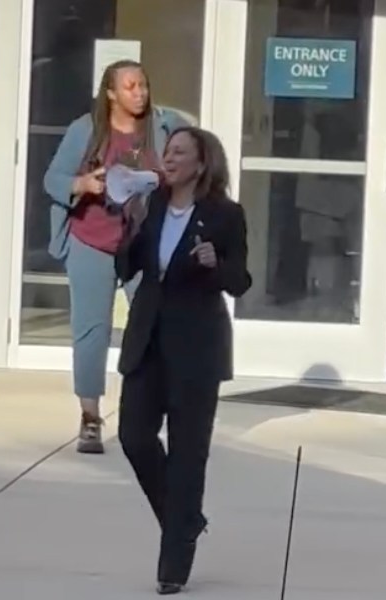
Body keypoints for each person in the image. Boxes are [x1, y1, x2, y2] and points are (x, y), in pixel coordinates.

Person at [116, 127, 252, 594]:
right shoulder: (151, 204)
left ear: (201, 163)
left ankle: (173, 566)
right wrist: (129, 226)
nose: (169, 158)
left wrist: (217, 261)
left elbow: (240, 281)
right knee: (133, 436)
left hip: (197, 348)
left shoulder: (225, 215)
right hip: (147, 340)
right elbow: (127, 268)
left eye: (180, 152)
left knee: (187, 456)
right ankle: (185, 519)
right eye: (167, 150)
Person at [44, 60, 186, 454]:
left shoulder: (165, 125)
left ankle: (149, 414)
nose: (139, 92)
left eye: (142, 84)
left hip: (144, 243)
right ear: (110, 93)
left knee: (153, 329)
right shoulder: (85, 130)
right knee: (92, 330)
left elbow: (190, 165)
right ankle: (90, 418)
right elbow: (52, 179)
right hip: (92, 239)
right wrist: (83, 183)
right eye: (129, 86)